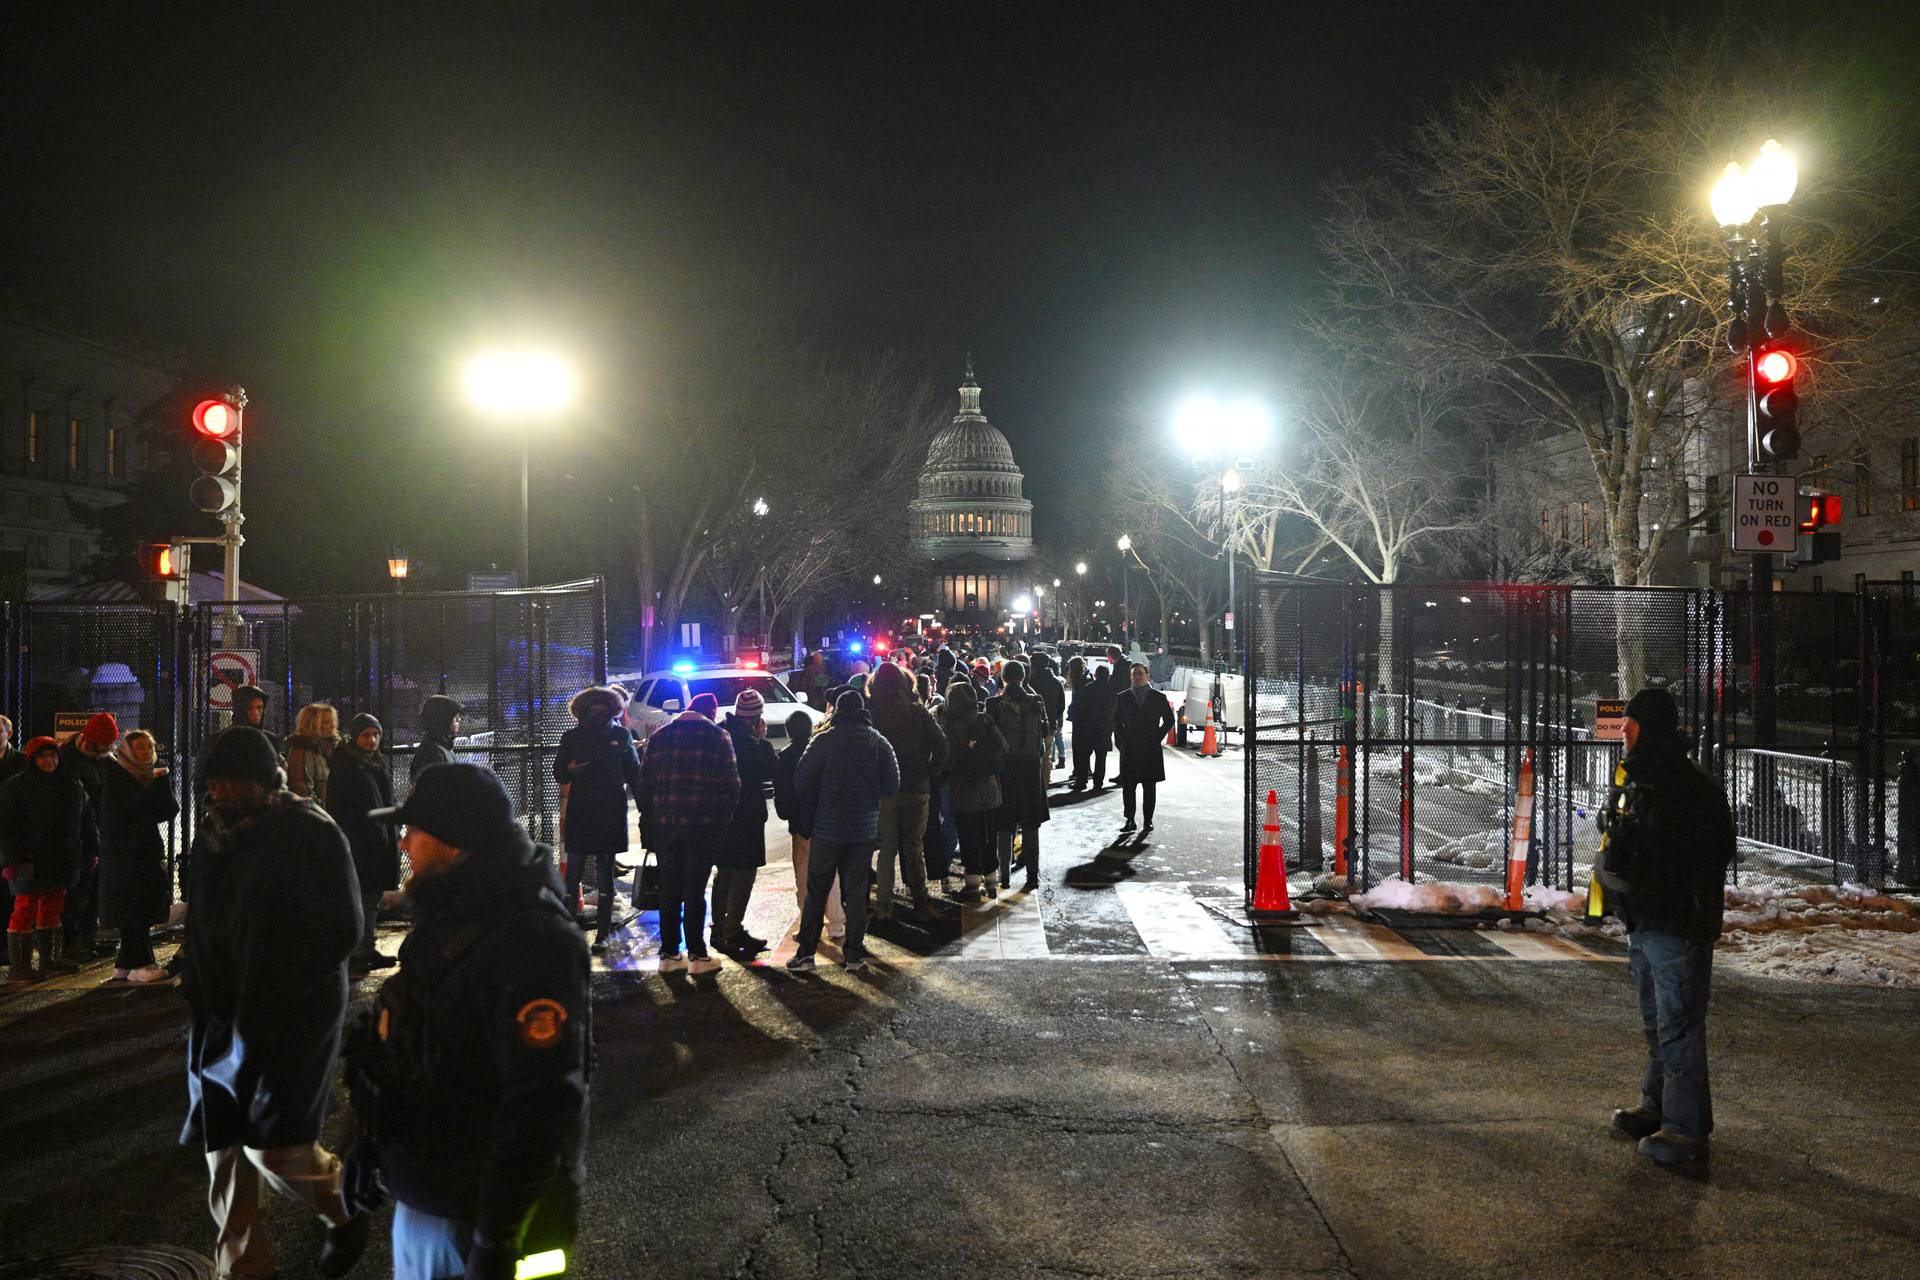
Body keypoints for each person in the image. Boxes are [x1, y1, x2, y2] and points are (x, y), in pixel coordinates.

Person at [350, 763, 590, 1280]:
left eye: (415, 832)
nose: (404, 843)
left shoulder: (531, 938)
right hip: (434, 1198)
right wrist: (369, 1145)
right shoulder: (455, 912)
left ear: (456, 845)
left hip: (479, 1220)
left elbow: (541, 1103)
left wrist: (496, 1242)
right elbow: (414, 1049)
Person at [181, 727, 369, 1280]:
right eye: (213, 783)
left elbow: (342, 928)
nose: (220, 794)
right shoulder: (213, 836)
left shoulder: (307, 829)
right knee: (224, 1152)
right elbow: (202, 921)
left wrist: (281, 987)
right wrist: (197, 980)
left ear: (264, 780)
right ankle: (244, 1269)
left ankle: (343, 1206)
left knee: (277, 1148)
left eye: (232, 782)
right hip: (220, 1010)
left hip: (293, 1012)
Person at [1596, 687, 1736, 1170]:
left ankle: (1686, 1131)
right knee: (1659, 1022)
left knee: (1678, 1025)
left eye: (1631, 727)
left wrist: (1647, 852)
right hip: (1649, 918)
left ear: (1648, 728)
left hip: (1676, 922)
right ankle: (1659, 1108)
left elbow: (1707, 851)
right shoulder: (1645, 778)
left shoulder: (1686, 785)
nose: (1624, 736)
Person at [787, 690, 899, 972]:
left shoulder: (824, 740)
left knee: (817, 890)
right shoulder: (878, 742)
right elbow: (892, 784)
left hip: (827, 828)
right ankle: (854, 955)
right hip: (862, 829)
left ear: (837, 711)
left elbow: (801, 779)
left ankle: (806, 954)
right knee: (856, 890)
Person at [634, 691, 737, 975]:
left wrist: (652, 816)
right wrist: (722, 821)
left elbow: (643, 785)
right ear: (712, 712)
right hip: (703, 825)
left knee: (670, 888)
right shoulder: (717, 736)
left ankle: (669, 953)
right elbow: (731, 785)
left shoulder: (660, 737)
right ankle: (697, 953)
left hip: (666, 825)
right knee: (695, 889)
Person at [554, 685, 643, 957]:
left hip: (608, 812)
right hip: (584, 811)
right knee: (575, 875)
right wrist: (570, 769)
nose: (599, 714)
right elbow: (559, 772)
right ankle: (571, 935)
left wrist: (645, 809)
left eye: (603, 709)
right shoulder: (572, 737)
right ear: (582, 712)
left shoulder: (619, 734)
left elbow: (634, 773)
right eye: (593, 710)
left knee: (606, 878)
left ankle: (602, 934)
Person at [868, 660, 948, 925]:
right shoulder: (917, 712)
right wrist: (930, 772)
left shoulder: (871, 713)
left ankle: (884, 907)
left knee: (887, 849)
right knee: (914, 848)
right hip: (917, 786)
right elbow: (942, 746)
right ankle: (921, 904)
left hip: (883, 789)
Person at [2, 736, 88, 982]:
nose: (49, 761)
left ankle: (49, 961)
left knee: (52, 907)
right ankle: (21, 967)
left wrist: (88, 850)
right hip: (28, 858)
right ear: (32, 759)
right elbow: (7, 827)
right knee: (25, 909)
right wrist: (9, 860)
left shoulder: (71, 785)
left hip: (59, 857)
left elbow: (84, 820)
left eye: (52, 756)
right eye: (42, 757)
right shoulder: (15, 788)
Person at [99, 729, 182, 982]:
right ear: (126, 751)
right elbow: (139, 811)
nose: (147, 751)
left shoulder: (150, 776)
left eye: (149, 746)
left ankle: (126, 963)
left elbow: (167, 810)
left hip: (142, 851)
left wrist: (161, 783)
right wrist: (156, 786)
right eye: (140, 747)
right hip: (125, 853)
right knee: (135, 907)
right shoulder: (118, 776)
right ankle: (142, 963)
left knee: (139, 906)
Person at [328, 713, 401, 973]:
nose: (372, 740)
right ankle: (360, 950)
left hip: (376, 842)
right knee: (364, 898)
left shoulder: (372, 764)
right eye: (366, 735)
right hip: (363, 845)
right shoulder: (348, 766)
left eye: (375, 735)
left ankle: (366, 948)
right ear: (355, 737)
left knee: (371, 898)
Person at [711, 689, 777, 957]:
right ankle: (732, 930)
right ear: (756, 719)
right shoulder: (752, 744)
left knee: (724, 872)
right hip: (747, 816)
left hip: (719, 815)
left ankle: (719, 926)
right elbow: (770, 771)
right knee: (744, 873)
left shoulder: (719, 733)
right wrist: (762, 741)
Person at [772, 708, 844, 942]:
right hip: (825, 821)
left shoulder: (785, 756)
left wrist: (789, 814)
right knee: (829, 873)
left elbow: (783, 795)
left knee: (803, 875)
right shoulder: (820, 749)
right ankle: (836, 923)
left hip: (800, 824)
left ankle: (808, 924)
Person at [938, 682, 1006, 901]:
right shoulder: (985, 719)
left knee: (969, 837)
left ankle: (973, 883)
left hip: (965, 790)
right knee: (989, 835)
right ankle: (992, 880)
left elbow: (948, 760)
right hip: (991, 789)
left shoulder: (952, 725)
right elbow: (1004, 747)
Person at [987, 661, 1050, 892]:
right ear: (1023, 677)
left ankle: (1004, 874)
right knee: (1031, 824)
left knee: (1004, 824)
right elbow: (1044, 731)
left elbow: (989, 736)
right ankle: (1032, 875)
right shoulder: (1035, 700)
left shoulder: (993, 703)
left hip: (1004, 769)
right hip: (1031, 770)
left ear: (1002, 678)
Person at [57, 712, 116, 959]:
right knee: (76, 892)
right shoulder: (69, 761)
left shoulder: (100, 759)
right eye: (105, 744)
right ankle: (71, 943)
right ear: (92, 741)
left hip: (98, 833)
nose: (109, 749)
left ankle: (88, 939)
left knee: (93, 891)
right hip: (78, 837)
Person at [1112, 663, 1178, 835]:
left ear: (1148, 676)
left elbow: (1169, 720)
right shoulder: (1123, 697)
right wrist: (1123, 740)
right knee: (1129, 786)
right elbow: (1116, 721)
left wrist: (1158, 735)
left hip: (1150, 747)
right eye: (1134, 674)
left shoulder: (1158, 697)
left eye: (1140, 674)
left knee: (1149, 786)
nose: (1137, 677)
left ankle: (1148, 819)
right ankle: (1130, 819)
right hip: (1130, 747)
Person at [1069, 658, 1115, 791]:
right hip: (1104, 728)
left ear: (1096, 675)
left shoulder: (1088, 688)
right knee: (1101, 757)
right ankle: (1098, 783)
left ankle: (1082, 781)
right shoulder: (1112, 690)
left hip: (1088, 728)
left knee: (1084, 755)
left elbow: (1080, 707)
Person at [287, 702, 341, 807]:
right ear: (311, 724)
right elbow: (302, 792)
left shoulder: (329, 751)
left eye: (332, 721)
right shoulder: (302, 752)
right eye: (326, 722)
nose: (333, 725)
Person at [412, 694, 465, 784]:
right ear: (444, 720)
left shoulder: (443, 747)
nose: (459, 720)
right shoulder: (433, 753)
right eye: (455, 718)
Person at [1028, 651, 1067, 773]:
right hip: (1050, 722)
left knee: (1032, 756)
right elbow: (1061, 704)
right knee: (1046, 756)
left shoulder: (1029, 681)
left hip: (1031, 723)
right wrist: (1053, 716)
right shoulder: (1056, 682)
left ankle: (1035, 784)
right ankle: (1045, 783)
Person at [233, 685, 283, 757]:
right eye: (249, 708)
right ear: (240, 710)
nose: (255, 713)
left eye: (259, 708)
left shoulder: (270, 740)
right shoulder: (226, 740)